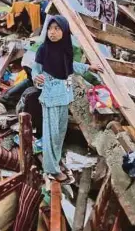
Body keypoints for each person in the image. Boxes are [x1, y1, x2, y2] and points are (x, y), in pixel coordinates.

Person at [32, 15, 103, 183]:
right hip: (50, 96)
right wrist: (37, 78)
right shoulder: (43, 49)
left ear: (64, 31)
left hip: (64, 95)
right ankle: (51, 170)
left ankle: (55, 162)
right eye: (50, 29)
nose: (52, 32)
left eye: (57, 29)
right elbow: (36, 70)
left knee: (60, 134)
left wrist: (88, 67)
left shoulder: (66, 49)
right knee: (51, 134)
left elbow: (70, 66)